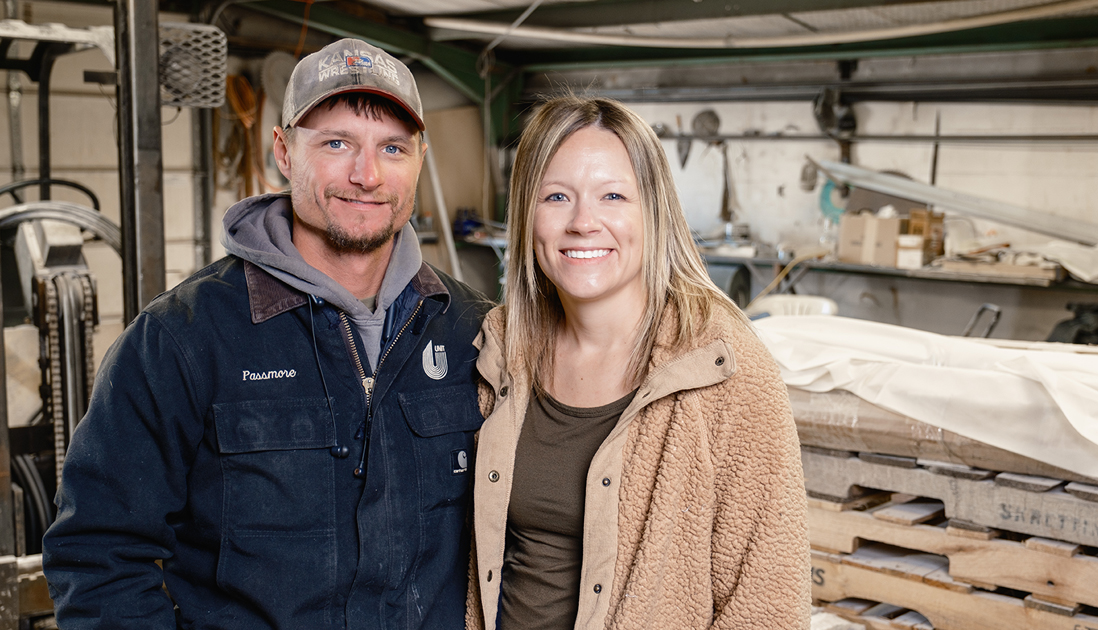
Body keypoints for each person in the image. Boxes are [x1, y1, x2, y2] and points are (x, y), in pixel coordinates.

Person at [42, 38, 490, 629]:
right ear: (282, 150)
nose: (366, 174)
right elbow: (98, 554)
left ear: (420, 157)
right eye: (336, 143)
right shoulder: (183, 340)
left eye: (392, 147)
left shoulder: (473, 333)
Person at [468, 95, 810, 630]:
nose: (583, 222)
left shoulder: (723, 371)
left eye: (613, 195)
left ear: (654, 212)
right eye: (556, 196)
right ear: (526, 214)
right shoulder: (500, 353)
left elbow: (766, 603)